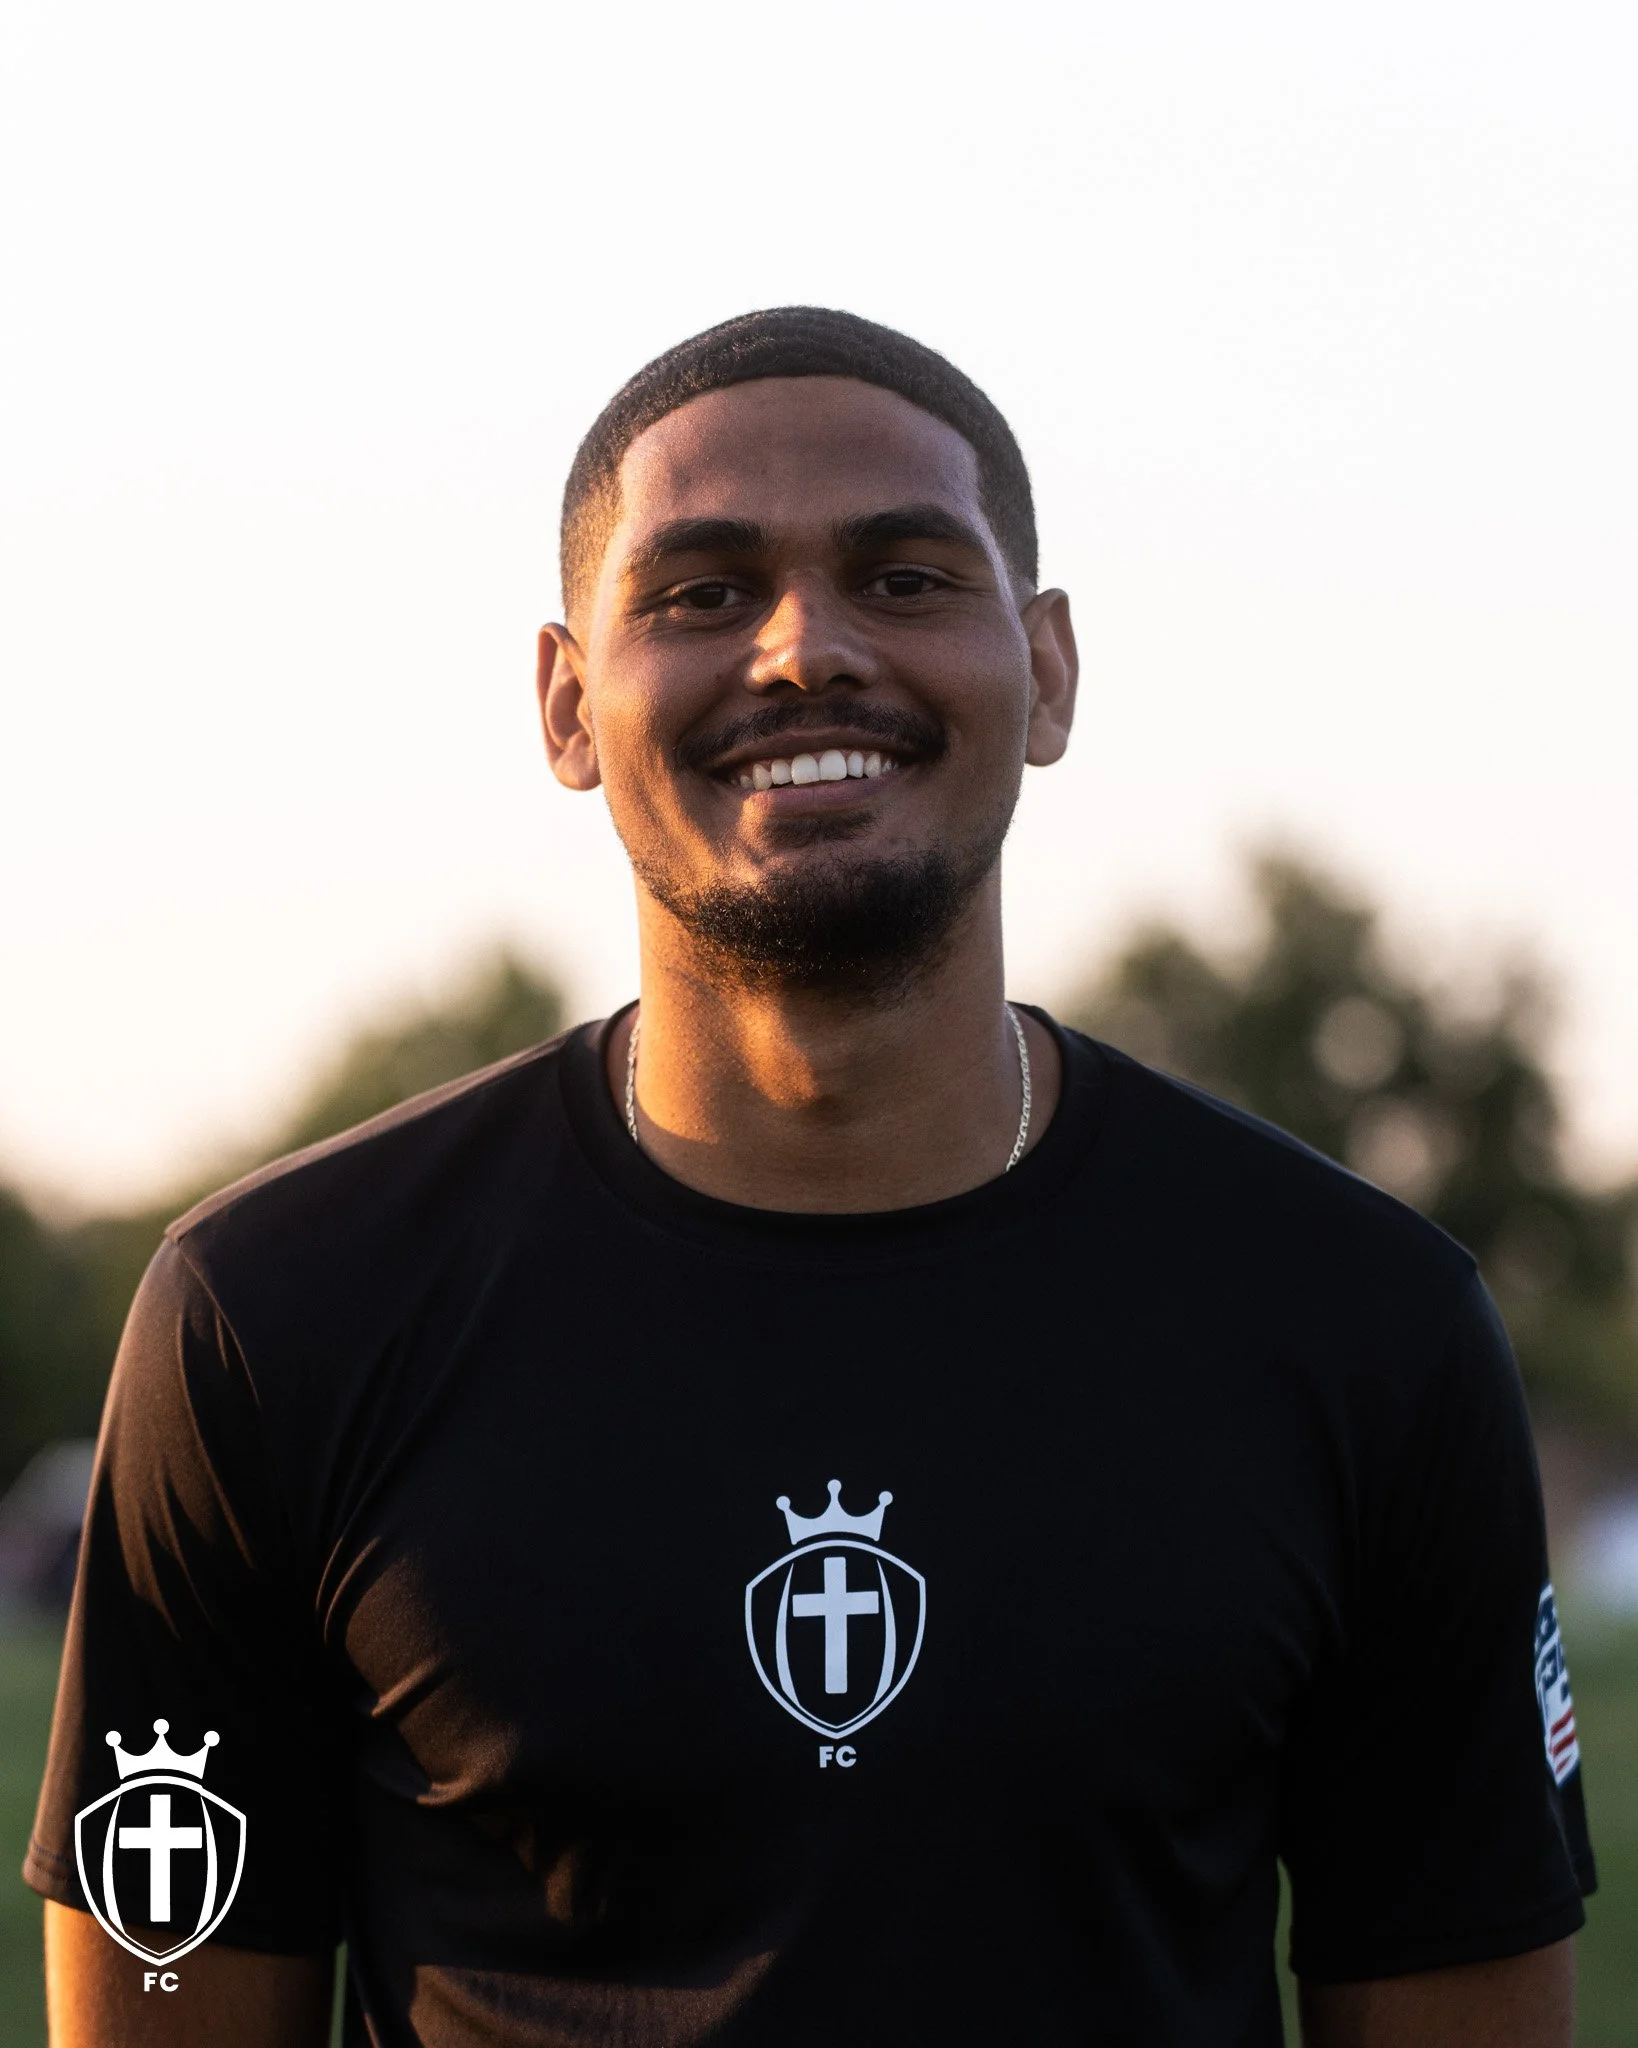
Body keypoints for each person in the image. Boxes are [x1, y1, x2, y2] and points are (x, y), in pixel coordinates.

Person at [29, 307, 1594, 2047]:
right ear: (567, 703)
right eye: (701, 592)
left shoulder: (1360, 1323)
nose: (802, 653)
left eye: (905, 577)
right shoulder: (275, 1313)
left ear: (1047, 670)